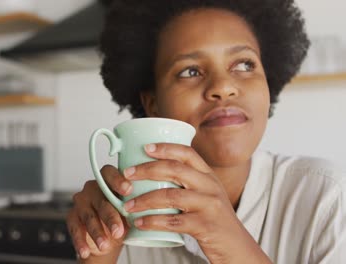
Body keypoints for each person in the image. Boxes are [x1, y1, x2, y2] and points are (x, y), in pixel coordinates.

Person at [67, 0, 346, 263]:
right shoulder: (125, 215)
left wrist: (232, 242)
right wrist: (100, 253)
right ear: (152, 103)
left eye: (245, 64)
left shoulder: (328, 198)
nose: (222, 87)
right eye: (190, 71)